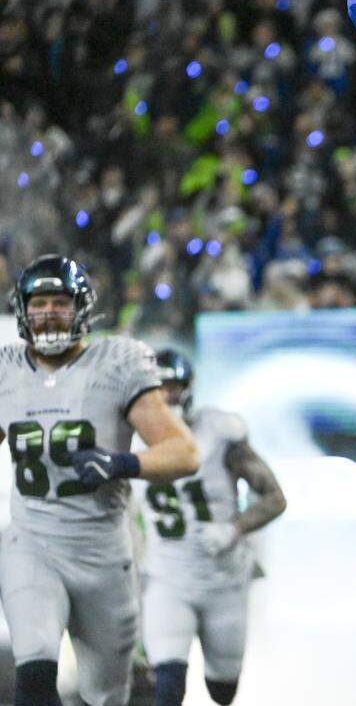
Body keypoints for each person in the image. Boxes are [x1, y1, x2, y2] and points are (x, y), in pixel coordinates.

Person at [0, 254, 198, 706]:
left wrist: (121, 464)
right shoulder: (5, 370)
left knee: (106, 696)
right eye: (38, 302)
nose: (48, 312)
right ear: (22, 310)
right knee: (33, 672)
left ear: (81, 309)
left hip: (102, 554)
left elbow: (183, 452)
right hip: (32, 543)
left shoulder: (117, 362)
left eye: (59, 301)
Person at [137, 349, 287, 706]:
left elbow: (274, 497)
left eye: (173, 387)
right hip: (167, 578)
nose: (166, 396)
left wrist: (234, 528)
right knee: (168, 684)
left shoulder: (219, 431)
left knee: (223, 687)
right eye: (158, 388)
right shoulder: (129, 438)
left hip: (224, 580)